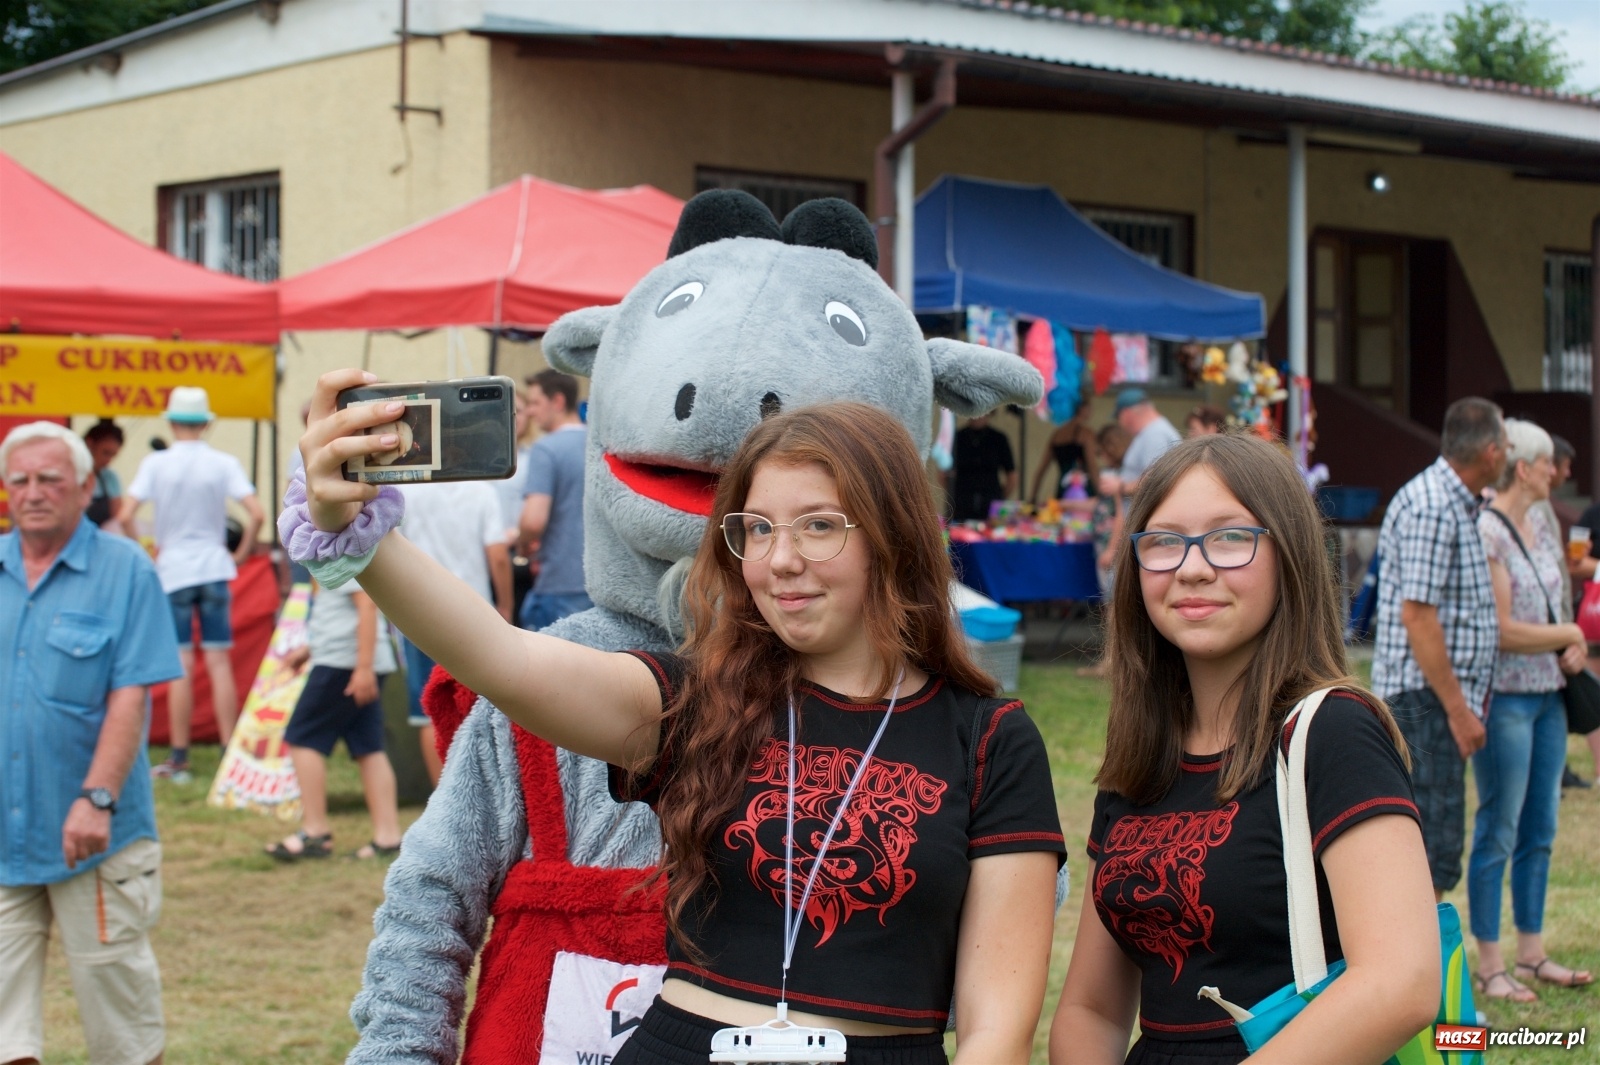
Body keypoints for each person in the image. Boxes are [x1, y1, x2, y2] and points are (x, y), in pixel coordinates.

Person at [302, 385, 1064, 1063]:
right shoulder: (700, 702)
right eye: (757, 529)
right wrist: (360, 530)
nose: (781, 559)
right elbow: (503, 659)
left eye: (819, 526)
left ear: (892, 535)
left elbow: (998, 1029)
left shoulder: (990, 739)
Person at [1049, 432, 1439, 1065]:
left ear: (1288, 555)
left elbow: (1401, 983)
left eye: (1231, 537)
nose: (1192, 567)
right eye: (1164, 541)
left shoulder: (1333, 732)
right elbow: (1091, 1009)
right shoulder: (1137, 766)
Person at [0, 422, 184, 1065]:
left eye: (49, 479)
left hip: (94, 835)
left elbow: (131, 695)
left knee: (124, 1032)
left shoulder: (125, 568)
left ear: (85, 487)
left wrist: (97, 797)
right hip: (3, 837)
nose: (33, 492)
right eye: (19, 480)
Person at [1470, 419, 1592, 1000]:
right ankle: (1490, 964)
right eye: (1549, 464)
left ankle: (1532, 952)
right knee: (1500, 825)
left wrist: (1566, 640)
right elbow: (1501, 630)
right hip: (1508, 699)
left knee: (1541, 826)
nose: (1558, 472)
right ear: (1525, 467)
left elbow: (1553, 603)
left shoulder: (1544, 522)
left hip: (1548, 696)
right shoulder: (1488, 529)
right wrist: (1567, 631)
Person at [1372, 397, 1504, 901]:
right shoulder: (1433, 505)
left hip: (1435, 698)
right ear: (1491, 452)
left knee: (1438, 844)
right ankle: (1415, 966)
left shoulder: (1456, 502)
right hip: (1424, 700)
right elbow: (1418, 617)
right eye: (1506, 445)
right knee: (1430, 850)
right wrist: (1458, 711)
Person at [119, 386, 265, 781]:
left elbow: (126, 512)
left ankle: (179, 758)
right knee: (219, 663)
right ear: (206, 422)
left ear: (170, 421)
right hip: (214, 567)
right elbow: (256, 513)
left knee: (181, 664)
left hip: (174, 571)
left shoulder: (156, 463)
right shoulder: (222, 462)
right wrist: (239, 554)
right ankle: (226, 752)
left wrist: (145, 552)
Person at [265, 576, 403, 863]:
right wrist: (308, 650)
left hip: (344, 664)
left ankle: (315, 832)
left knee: (303, 739)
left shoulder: (341, 549)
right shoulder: (333, 550)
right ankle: (388, 837)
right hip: (354, 661)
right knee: (369, 747)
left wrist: (362, 668)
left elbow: (366, 606)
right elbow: (341, 613)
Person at [394, 479, 512, 786]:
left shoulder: (407, 491)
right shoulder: (483, 491)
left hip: (419, 614)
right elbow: (498, 556)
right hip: (477, 615)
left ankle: (443, 801)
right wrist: (506, 606)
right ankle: (488, 793)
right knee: (483, 708)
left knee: (428, 713)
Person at [518, 368, 593, 631]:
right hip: (600, 581)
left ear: (558, 402)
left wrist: (521, 541)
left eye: (535, 403)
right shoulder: (599, 444)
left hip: (560, 582)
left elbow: (533, 521)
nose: (529, 411)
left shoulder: (545, 449)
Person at [1097, 388, 1180, 500]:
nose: (1120, 423)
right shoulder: (1151, 431)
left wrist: (1120, 486)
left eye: (1118, 418)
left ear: (1126, 413)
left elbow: (1155, 482)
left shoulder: (1155, 434)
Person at [949, 412, 1016, 522]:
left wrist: (999, 499)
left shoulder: (999, 439)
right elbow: (944, 474)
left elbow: (1012, 477)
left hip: (991, 503)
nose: (978, 416)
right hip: (962, 503)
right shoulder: (957, 437)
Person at [1029, 410, 1098, 505]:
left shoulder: (1056, 435)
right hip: (1083, 492)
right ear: (1083, 409)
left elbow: (1041, 470)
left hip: (1062, 490)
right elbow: (1092, 466)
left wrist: (1033, 496)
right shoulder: (1086, 434)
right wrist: (1101, 494)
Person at [83, 419, 124, 528]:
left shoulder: (110, 478)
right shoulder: (71, 475)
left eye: (113, 455)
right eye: (105, 453)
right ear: (90, 443)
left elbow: (118, 518)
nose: (108, 460)